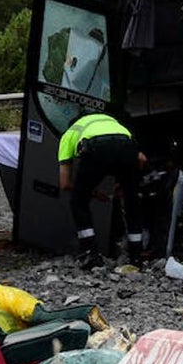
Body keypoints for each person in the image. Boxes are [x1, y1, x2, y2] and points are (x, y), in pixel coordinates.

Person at [58, 111, 145, 267]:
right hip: (126, 145)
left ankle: (90, 253)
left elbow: (65, 183)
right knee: (132, 201)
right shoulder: (114, 123)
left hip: (95, 147)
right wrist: (127, 183)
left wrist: (94, 194)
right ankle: (136, 256)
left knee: (78, 201)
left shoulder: (69, 134)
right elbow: (141, 159)